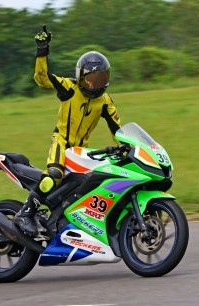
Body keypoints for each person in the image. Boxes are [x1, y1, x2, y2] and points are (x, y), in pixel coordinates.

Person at [14, 25, 121, 237]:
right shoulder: (68, 88)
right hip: (62, 142)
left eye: (100, 79)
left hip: (82, 151)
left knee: (93, 183)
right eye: (90, 78)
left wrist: (127, 149)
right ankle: (25, 213)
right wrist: (42, 50)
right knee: (53, 175)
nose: (94, 84)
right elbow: (42, 78)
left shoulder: (105, 101)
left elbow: (118, 129)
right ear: (80, 77)